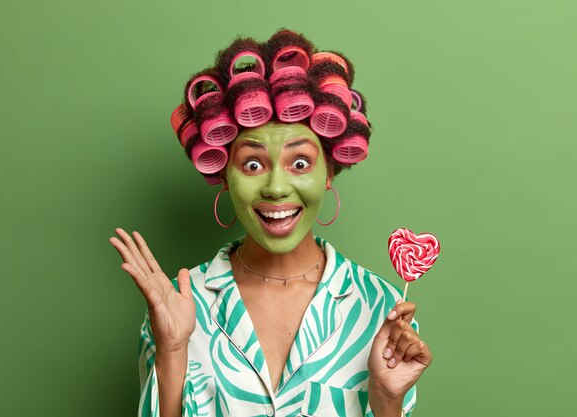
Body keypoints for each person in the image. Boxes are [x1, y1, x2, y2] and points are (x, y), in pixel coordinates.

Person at [109, 29, 432, 417]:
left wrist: (386, 400)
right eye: (252, 164)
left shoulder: (381, 307)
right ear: (224, 174)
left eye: (300, 163)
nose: (276, 188)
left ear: (329, 170)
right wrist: (173, 350)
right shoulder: (178, 305)